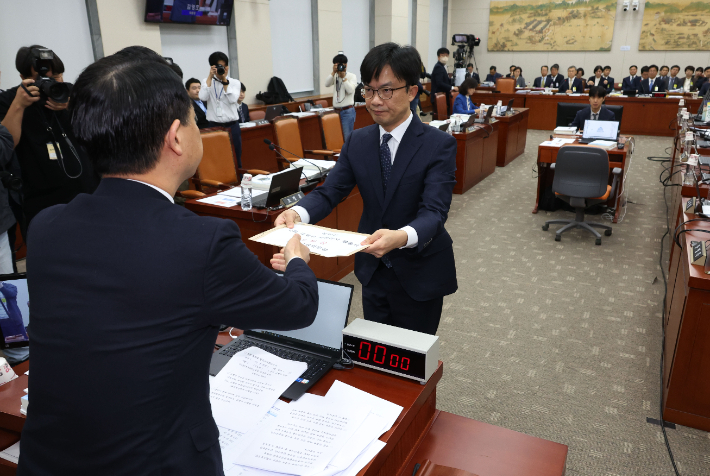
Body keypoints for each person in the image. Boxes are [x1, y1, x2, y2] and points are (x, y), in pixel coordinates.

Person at [17, 49, 318, 476]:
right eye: (195, 121)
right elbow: (298, 306)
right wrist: (297, 259)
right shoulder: (201, 242)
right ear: (176, 137)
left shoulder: (47, 228)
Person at [273, 42, 457, 335]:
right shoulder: (358, 141)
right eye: (368, 90)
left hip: (419, 272)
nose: (374, 100)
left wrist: (400, 236)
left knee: (412, 366)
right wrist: (298, 212)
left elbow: (434, 212)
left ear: (411, 91)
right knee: (375, 358)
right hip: (372, 271)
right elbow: (330, 192)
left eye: (386, 90)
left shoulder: (438, 145)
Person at [0, 45, 98, 229]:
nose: (49, 83)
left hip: (85, 191)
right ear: (23, 78)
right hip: (41, 202)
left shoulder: (70, 93)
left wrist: (72, 106)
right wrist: (19, 106)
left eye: (55, 77)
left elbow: (100, 132)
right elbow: (6, 144)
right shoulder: (10, 100)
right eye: (42, 79)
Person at [198, 51, 243, 167]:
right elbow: (202, 97)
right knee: (216, 158)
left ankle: (239, 182)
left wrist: (224, 82)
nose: (221, 69)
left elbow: (233, 99)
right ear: (212, 67)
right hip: (214, 126)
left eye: (223, 66)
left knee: (236, 157)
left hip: (232, 126)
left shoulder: (235, 83)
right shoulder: (206, 82)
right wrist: (210, 77)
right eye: (218, 66)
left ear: (227, 67)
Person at [325, 53, 358, 141]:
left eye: (341, 64)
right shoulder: (335, 76)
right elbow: (326, 84)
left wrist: (344, 78)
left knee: (347, 138)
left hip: (347, 112)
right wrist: (333, 73)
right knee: (336, 138)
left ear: (345, 65)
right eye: (336, 64)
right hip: (335, 112)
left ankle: (348, 155)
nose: (339, 66)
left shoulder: (352, 76)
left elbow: (350, 90)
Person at [430, 48, 458, 117]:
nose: (445, 57)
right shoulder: (438, 67)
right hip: (439, 96)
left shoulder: (442, 66)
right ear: (438, 57)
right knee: (440, 117)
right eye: (443, 55)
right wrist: (452, 87)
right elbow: (439, 83)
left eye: (446, 55)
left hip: (442, 96)